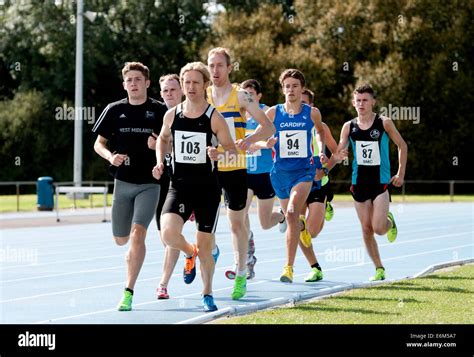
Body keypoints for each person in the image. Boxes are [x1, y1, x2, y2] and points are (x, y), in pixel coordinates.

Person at [152, 61, 236, 312]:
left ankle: (207, 292)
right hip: (178, 186)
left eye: (195, 82)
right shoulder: (172, 115)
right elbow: (163, 140)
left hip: (207, 189)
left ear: (205, 85)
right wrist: (159, 161)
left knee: (206, 247)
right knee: (168, 234)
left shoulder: (214, 117)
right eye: (186, 82)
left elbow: (231, 149)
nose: (190, 87)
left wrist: (217, 152)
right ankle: (189, 252)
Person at [92, 62, 167, 311]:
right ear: (124, 84)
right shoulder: (114, 110)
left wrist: (157, 150)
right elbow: (98, 144)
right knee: (121, 240)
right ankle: (132, 255)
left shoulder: (159, 110)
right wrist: (110, 157)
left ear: (147, 83)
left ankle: (128, 291)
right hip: (122, 183)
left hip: (149, 183)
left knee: (138, 234)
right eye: (129, 80)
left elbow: (173, 142)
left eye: (138, 79)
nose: (133, 84)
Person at [206, 47, 275, 299]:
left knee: (235, 223)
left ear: (229, 68)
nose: (214, 70)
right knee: (206, 222)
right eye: (211, 65)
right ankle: (210, 253)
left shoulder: (242, 96)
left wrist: (250, 139)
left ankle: (241, 271)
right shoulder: (203, 96)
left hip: (235, 165)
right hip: (210, 168)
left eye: (219, 65)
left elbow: (268, 127)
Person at [336, 83, 407, 281]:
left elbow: (402, 145)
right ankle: (379, 269)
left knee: (378, 228)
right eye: (358, 100)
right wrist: (335, 157)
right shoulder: (348, 127)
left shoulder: (384, 123)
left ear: (373, 102)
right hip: (359, 183)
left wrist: (400, 173)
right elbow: (340, 149)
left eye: (365, 100)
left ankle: (389, 221)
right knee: (366, 229)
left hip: (380, 182)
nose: (361, 104)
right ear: (353, 102)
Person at [266, 69, 326, 283]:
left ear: (302, 89)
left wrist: (321, 153)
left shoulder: (311, 113)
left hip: (303, 172)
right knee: (295, 223)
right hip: (280, 174)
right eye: (287, 86)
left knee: (291, 214)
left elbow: (320, 131)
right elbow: (260, 134)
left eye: (295, 86)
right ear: (283, 89)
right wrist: (255, 142)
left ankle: (288, 268)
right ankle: (315, 266)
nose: (291, 90)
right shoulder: (274, 113)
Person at [232, 79, 286, 281]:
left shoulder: (265, 112)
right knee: (240, 215)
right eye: (244, 93)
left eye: (251, 94)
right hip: (243, 173)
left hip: (264, 174)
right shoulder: (236, 113)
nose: (247, 97)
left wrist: (260, 144)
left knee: (264, 222)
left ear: (259, 96)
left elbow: (272, 138)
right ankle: (245, 259)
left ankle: (280, 216)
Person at [297, 88, 342, 282]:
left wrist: (325, 169)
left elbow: (338, 152)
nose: (301, 107)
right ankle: (315, 268)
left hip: (317, 183)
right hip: (297, 181)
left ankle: (326, 204)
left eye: (305, 104)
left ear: (312, 107)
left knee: (311, 232)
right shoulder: (286, 124)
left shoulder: (320, 126)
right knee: (298, 227)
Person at [150, 74, 183, 300]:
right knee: (167, 238)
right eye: (165, 91)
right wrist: (155, 149)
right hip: (164, 184)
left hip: (194, 182)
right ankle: (165, 282)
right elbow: (152, 143)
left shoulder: (195, 111)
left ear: (181, 90)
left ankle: (162, 283)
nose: (169, 93)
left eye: (173, 89)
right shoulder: (157, 117)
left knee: (205, 236)